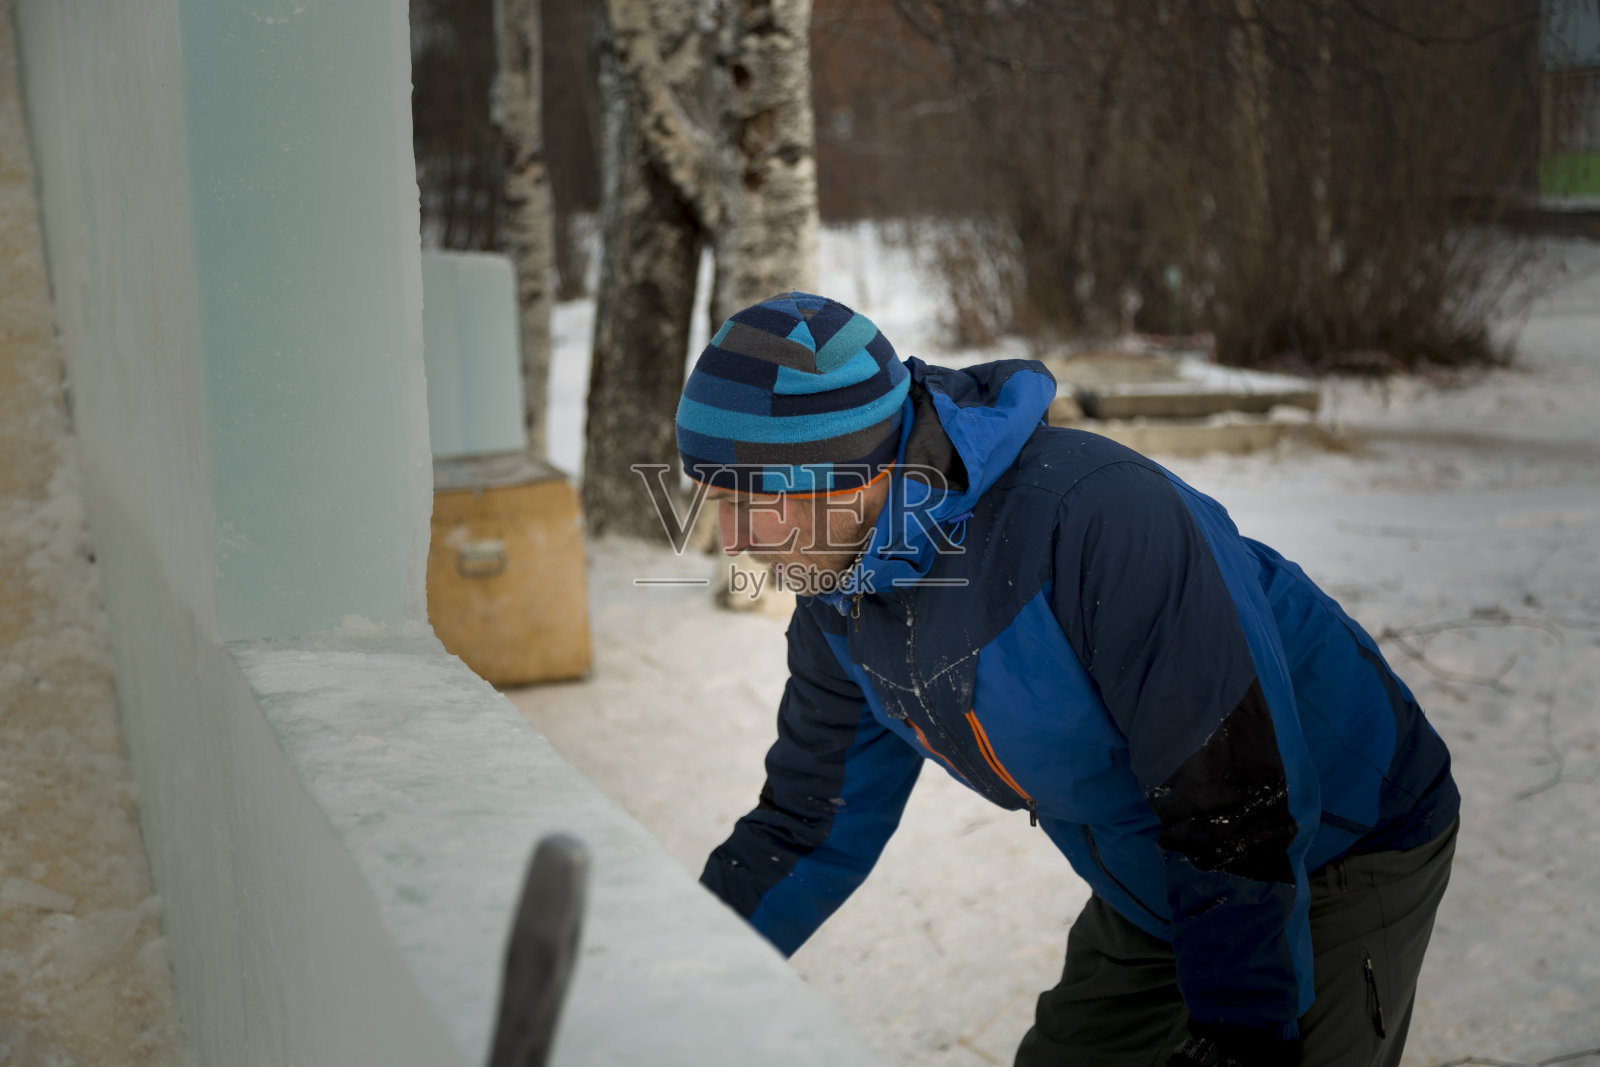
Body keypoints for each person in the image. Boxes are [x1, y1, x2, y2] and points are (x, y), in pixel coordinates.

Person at [676, 292, 1459, 1067]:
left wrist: (1243, 1033)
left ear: (855, 476)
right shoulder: (837, 596)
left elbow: (1235, 794)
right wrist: (674, 969)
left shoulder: (1093, 517)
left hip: (1336, 846)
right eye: (719, 502)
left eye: (759, 501)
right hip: (1151, 870)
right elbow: (809, 821)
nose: (735, 540)